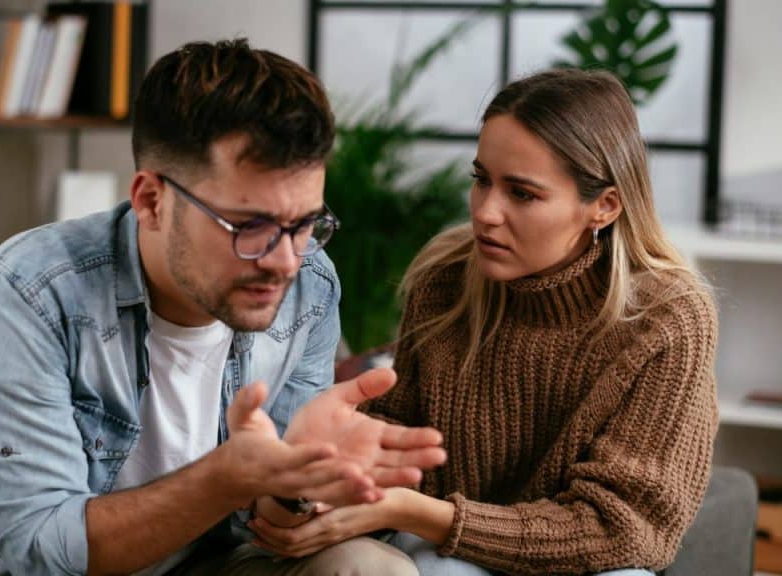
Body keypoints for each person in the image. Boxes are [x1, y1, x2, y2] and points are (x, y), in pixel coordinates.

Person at [0, 39, 447, 576]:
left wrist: (298, 482)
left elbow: (266, 521)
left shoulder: (310, 285)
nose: (284, 261)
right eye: (249, 226)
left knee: (372, 567)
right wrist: (226, 479)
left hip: (206, 562)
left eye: (304, 225)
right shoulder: (29, 291)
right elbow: (40, 549)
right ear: (151, 200)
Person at [247, 68, 719, 576]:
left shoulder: (667, 317)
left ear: (603, 206)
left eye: (522, 193)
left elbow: (622, 530)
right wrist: (316, 486)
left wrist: (418, 512)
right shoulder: (446, 279)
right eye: (481, 180)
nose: (486, 212)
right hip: (443, 551)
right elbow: (395, 443)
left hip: (586, 562)